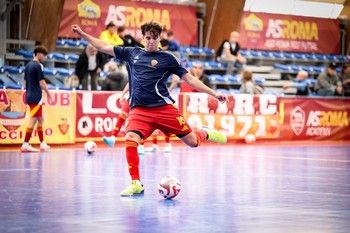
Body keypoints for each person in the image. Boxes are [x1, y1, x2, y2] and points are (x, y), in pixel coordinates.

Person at [72, 21, 228, 197]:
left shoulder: (168, 58)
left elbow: (189, 79)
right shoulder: (132, 53)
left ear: (159, 38)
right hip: (140, 110)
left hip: (163, 108)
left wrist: (213, 93)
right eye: (148, 38)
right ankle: (136, 183)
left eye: (154, 38)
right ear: (143, 38)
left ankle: (205, 133)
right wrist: (84, 35)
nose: (151, 41)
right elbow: (104, 46)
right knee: (130, 138)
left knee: (192, 142)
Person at [21, 45, 53, 152]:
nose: (45, 58)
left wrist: (31, 91)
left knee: (40, 119)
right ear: (39, 54)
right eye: (44, 55)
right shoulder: (38, 66)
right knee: (33, 120)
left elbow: (25, 82)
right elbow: (42, 83)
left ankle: (42, 143)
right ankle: (25, 144)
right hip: (36, 97)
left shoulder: (28, 65)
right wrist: (49, 94)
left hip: (29, 95)